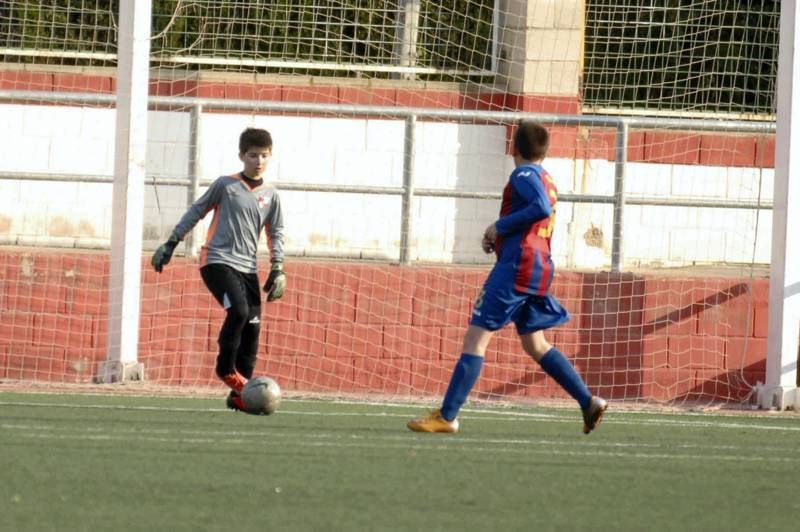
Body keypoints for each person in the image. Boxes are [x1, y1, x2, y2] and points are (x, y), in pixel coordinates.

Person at [407, 121, 607, 434]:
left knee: (477, 337)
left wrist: (499, 228)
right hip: (538, 265)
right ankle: (587, 401)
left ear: (515, 148)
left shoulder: (523, 174)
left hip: (518, 266)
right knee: (535, 344)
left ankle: (447, 416)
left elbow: (539, 208)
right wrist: (500, 235)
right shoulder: (546, 177)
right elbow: (535, 214)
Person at [151, 127, 286, 411]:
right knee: (238, 311)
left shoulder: (271, 196)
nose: (258, 161)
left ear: (270, 156)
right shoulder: (226, 185)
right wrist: (172, 242)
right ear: (241, 156)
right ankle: (225, 370)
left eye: (264, 156)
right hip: (217, 261)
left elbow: (276, 232)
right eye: (252, 155)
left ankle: (240, 395)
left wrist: (278, 267)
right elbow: (197, 211)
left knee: (252, 328)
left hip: (248, 269)